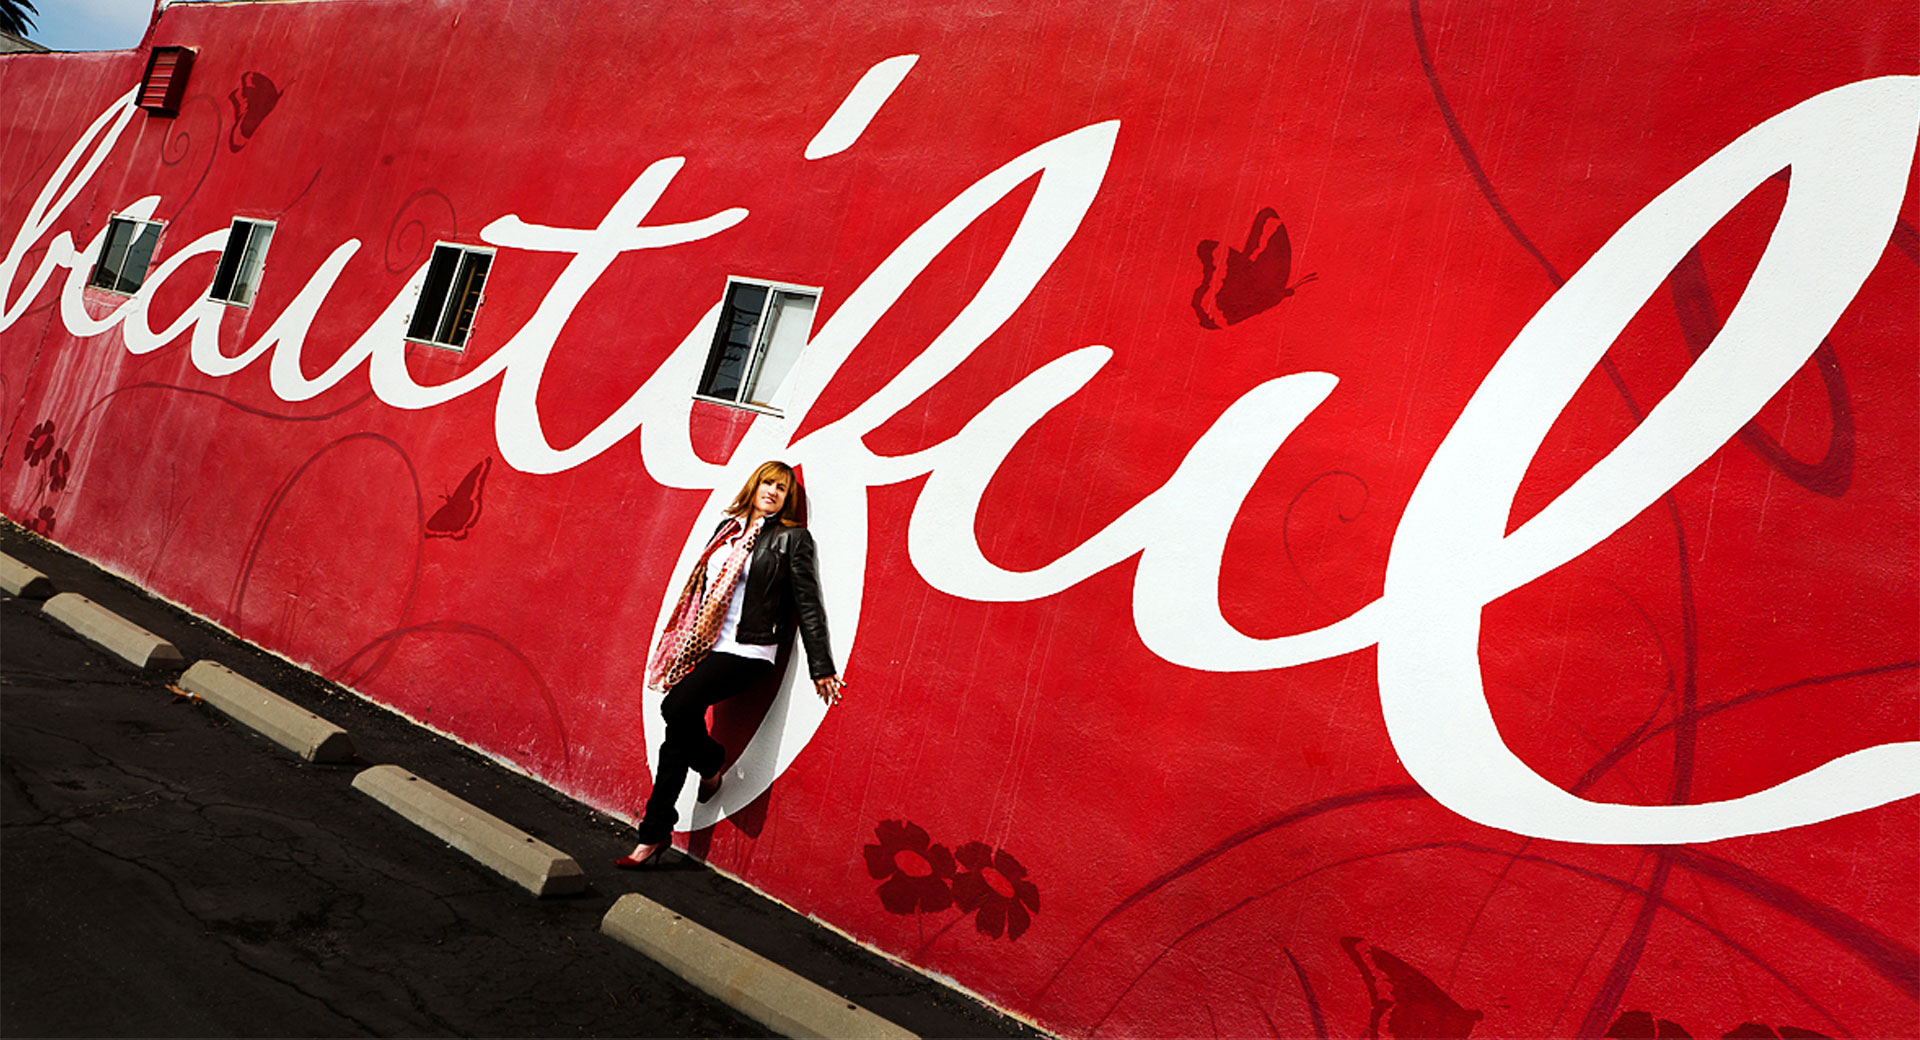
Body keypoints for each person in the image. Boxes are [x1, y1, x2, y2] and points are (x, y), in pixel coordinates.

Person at [619, 460, 845, 868]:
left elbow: (807, 601)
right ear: (754, 486)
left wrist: (821, 665)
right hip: (705, 646)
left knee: (676, 707)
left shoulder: (792, 539)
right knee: (676, 736)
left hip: (749, 651)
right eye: (767, 483)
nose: (772, 492)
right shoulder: (727, 530)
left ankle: (710, 763)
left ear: (788, 499)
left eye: (782, 488)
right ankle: (652, 836)